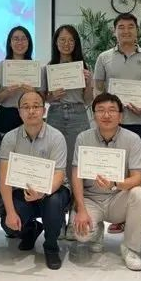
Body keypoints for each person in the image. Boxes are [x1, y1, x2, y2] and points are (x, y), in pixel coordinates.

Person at [93, 12, 141, 245]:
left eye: (130, 27)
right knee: (115, 170)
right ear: (114, 31)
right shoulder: (104, 58)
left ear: (137, 30)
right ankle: (119, 216)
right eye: (121, 27)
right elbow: (98, 87)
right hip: (113, 124)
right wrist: (106, 110)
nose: (125, 31)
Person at [71, 93, 141, 271]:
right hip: (92, 199)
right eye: (100, 110)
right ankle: (96, 230)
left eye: (112, 110)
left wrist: (115, 184)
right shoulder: (83, 138)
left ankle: (130, 248)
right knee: (81, 234)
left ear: (121, 116)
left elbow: (138, 178)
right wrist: (81, 209)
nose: (106, 115)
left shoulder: (132, 139)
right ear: (93, 115)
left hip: (118, 198)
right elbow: (76, 175)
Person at [0, 91, 71, 270]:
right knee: (9, 224)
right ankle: (31, 230)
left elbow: (59, 175)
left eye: (36, 106)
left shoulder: (56, 137)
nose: (31, 111)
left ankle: (51, 247)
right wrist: (10, 212)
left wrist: (42, 192)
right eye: (26, 107)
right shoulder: (10, 138)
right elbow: (4, 177)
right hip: (22, 190)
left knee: (53, 202)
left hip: (52, 189)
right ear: (19, 111)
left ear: (44, 110)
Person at [43, 25, 93, 240]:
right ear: (56, 43)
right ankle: (58, 217)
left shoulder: (84, 67)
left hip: (77, 114)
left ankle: (74, 215)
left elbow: (88, 99)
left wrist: (88, 82)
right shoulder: (49, 68)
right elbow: (43, 98)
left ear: (76, 43)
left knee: (76, 164)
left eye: (71, 40)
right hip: (55, 114)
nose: (66, 44)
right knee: (56, 165)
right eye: (62, 40)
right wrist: (51, 96)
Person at [0, 26, 37, 195]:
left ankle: (25, 197)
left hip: (29, 117)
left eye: (23, 38)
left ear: (29, 42)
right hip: (6, 115)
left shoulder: (35, 67)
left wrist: (33, 91)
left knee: (27, 157)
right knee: (2, 156)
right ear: (9, 43)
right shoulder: (0, 67)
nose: (19, 42)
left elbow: (43, 98)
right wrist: (6, 92)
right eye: (15, 39)